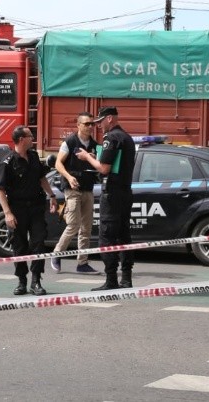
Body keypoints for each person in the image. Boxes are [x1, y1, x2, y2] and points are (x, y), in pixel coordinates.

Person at [75, 106, 136, 290]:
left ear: (109, 119)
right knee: (124, 236)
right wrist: (97, 158)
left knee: (106, 238)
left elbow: (104, 169)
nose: (98, 126)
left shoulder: (112, 137)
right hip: (125, 192)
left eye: (100, 121)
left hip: (112, 195)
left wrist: (87, 157)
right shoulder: (127, 137)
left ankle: (111, 280)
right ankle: (126, 278)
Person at [0, 125, 58, 295]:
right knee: (19, 245)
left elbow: (42, 177)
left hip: (36, 207)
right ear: (22, 139)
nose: (33, 138)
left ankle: (36, 281)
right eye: (30, 136)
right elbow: (0, 190)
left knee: (38, 242)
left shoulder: (34, 156)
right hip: (17, 209)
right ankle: (22, 281)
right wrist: (7, 213)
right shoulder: (7, 163)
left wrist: (52, 195)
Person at [50, 112, 100, 274]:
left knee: (86, 228)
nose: (90, 127)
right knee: (73, 224)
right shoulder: (70, 141)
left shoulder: (94, 144)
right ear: (78, 125)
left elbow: (99, 166)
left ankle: (82, 263)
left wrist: (93, 158)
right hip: (72, 189)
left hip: (88, 188)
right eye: (86, 124)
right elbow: (58, 163)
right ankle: (57, 254)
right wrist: (69, 177)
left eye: (92, 124)